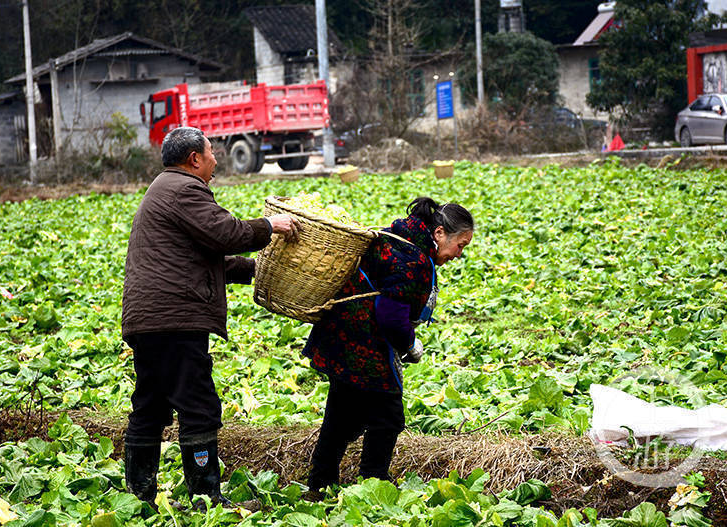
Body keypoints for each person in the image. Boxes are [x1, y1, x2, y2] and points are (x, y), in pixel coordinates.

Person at [121, 126, 301, 508]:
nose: (216, 160)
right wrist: (270, 227)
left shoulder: (163, 189)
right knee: (198, 406)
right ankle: (206, 497)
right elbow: (224, 233)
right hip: (176, 319)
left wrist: (257, 271)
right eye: (211, 153)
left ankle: (140, 498)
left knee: (150, 405)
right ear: (194, 159)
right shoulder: (184, 189)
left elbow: (210, 256)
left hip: (150, 318)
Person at [302, 196, 474, 493]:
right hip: (361, 344)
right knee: (388, 416)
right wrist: (410, 344)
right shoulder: (414, 259)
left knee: (341, 414)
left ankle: (320, 483)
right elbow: (390, 315)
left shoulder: (401, 235)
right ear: (439, 234)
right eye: (460, 246)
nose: (459, 254)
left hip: (339, 334)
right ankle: (373, 483)